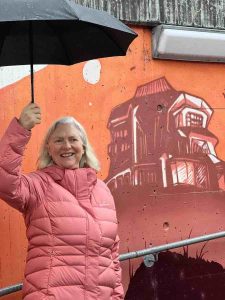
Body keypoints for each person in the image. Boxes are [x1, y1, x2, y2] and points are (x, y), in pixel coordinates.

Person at [0, 103, 124, 300]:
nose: (66, 146)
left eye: (73, 139)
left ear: (83, 147)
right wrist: (22, 128)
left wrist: (116, 296)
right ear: (49, 149)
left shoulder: (102, 190)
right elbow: (4, 181)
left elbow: (112, 254)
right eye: (58, 140)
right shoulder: (37, 186)